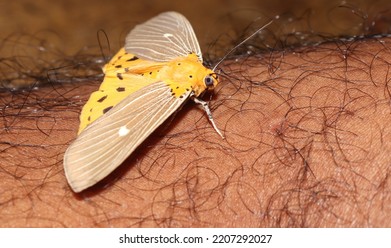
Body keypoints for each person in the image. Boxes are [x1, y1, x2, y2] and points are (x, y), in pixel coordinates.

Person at [1, 35, 390, 227]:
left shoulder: (189, 56)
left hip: (149, 68)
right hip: (156, 90)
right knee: (129, 133)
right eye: (207, 82)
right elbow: (200, 97)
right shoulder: (182, 92)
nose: (211, 85)